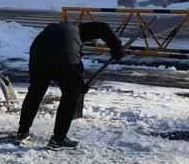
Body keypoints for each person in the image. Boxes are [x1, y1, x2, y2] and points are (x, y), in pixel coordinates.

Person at [17, 21, 125, 150]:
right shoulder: (78, 30)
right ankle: (58, 139)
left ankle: (22, 131)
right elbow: (103, 27)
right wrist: (117, 47)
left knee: (35, 92)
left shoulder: (60, 29)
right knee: (70, 96)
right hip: (63, 59)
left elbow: (70, 56)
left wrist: (79, 82)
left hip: (38, 56)